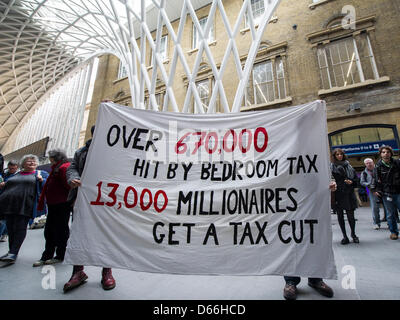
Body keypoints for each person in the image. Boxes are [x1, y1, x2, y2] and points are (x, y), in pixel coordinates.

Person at [63, 125, 116, 292]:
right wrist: (73, 179)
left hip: (106, 200)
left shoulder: (115, 151)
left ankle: (106, 272)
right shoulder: (81, 152)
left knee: (106, 235)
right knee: (79, 234)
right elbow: (72, 168)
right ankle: (78, 272)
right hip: (82, 200)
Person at [283, 180, 337, 300]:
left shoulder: (320, 160)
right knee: (292, 242)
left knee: (314, 241)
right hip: (290, 202)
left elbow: (324, 171)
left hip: (314, 203)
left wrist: (331, 182)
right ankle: (291, 280)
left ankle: (316, 278)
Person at [0, 155, 48, 264]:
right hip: (9, 205)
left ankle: (14, 252)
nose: (31, 163)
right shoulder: (17, 173)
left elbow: (46, 185)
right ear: (23, 163)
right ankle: (10, 251)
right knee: (10, 228)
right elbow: (9, 183)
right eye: (29, 161)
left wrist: (41, 181)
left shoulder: (40, 174)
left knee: (20, 228)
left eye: (33, 161)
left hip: (25, 205)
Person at [33, 149, 72, 267]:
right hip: (54, 204)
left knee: (60, 230)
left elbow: (68, 185)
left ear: (54, 158)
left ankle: (60, 254)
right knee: (50, 230)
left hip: (61, 204)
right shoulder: (57, 167)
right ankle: (48, 254)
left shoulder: (63, 167)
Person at [370, 146, 400, 240]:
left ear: (391, 153)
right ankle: (394, 232)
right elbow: (375, 179)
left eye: (387, 152)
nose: (386, 153)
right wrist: (375, 190)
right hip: (387, 192)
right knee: (390, 214)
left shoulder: (397, 163)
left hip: (398, 191)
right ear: (380, 154)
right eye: (383, 152)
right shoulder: (378, 166)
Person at [331, 148, 359, 245]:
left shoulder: (349, 166)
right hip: (338, 193)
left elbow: (356, 180)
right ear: (334, 156)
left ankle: (353, 234)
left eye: (341, 154)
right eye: (337, 154)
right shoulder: (331, 167)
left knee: (351, 215)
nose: (339, 156)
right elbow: (330, 180)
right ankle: (344, 236)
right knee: (340, 216)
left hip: (349, 192)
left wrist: (351, 182)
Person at [360, 158, 387, 230]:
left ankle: (389, 222)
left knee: (387, 206)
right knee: (375, 208)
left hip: (384, 189)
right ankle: (376, 223)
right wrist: (369, 184)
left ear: (373, 162)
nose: (369, 164)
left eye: (370, 162)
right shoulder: (364, 173)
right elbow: (362, 182)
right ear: (365, 164)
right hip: (372, 191)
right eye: (367, 163)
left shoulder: (379, 168)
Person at [0, 160, 20, 242]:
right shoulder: (4, 174)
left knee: (6, 218)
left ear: (17, 167)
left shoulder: (19, 175)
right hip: (2, 197)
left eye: (13, 168)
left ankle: (4, 234)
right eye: (10, 168)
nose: (11, 170)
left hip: (12, 200)